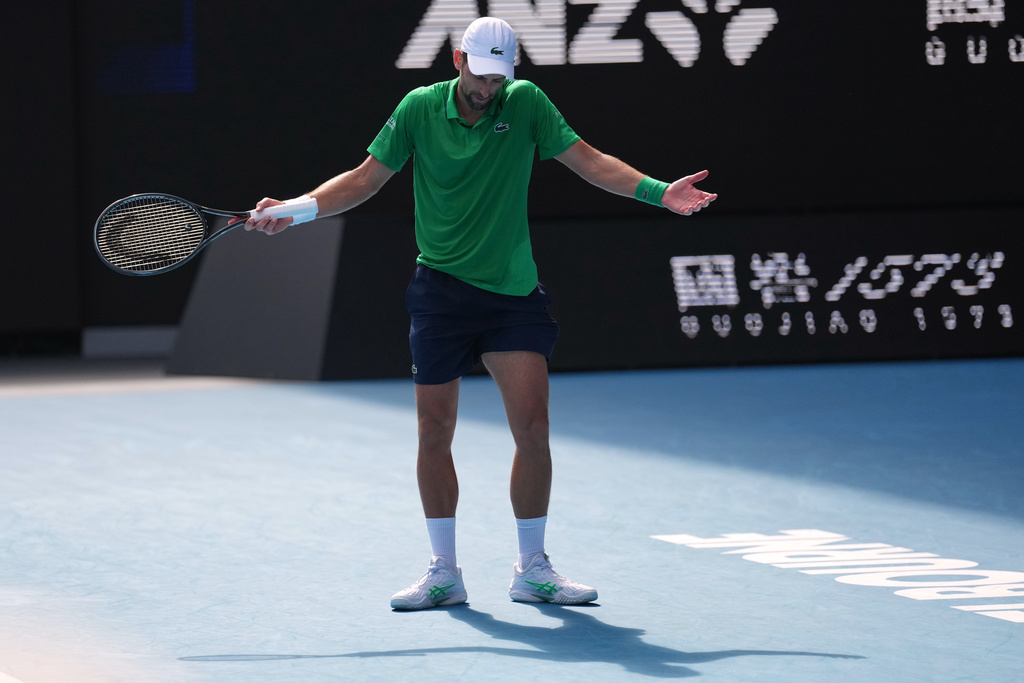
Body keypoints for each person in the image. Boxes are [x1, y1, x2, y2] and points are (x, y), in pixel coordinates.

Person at [240, 17, 717, 610]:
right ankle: (444, 572)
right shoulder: (417, 108)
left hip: (512, 297)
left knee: (533, 428)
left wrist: (657, 191)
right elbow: (365, 180)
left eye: (500, 79)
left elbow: (591, 161)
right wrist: (295, 209)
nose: (489, 90)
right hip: (440, 294)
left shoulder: (527, 103)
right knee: (434, 430)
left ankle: (532, 568)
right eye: (482, 75)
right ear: (459, 59)